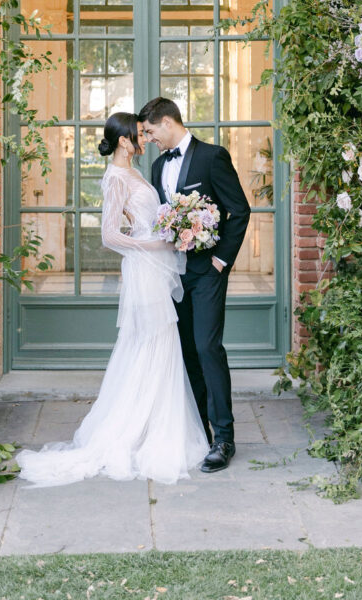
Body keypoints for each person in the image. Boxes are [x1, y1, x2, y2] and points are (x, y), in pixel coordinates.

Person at [16, 112, 208, 488]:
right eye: (139, 134)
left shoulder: (138, 172)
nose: (145, 138)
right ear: (123, 141)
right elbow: (109, 236)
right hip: (144, 269)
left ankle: (157, 425)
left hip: (156, 268)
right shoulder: (116, 177)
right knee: (152, 342)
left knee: (162, 344)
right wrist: (154, 243)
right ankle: (138, 432)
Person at [139, 97, 251, 473]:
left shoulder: (212, 156)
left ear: (167, 122)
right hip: (173, 276)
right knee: (187, 353)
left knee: (207, 347)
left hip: (207, 272)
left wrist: (222, 260)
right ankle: (199, 432)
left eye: (151, 132)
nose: (150, 139)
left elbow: (239, 209)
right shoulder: (157, 167)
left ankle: (224, 438)